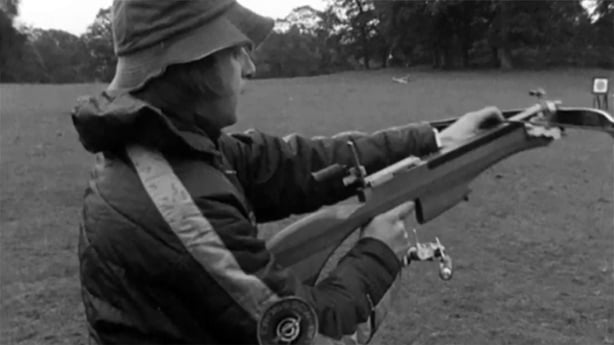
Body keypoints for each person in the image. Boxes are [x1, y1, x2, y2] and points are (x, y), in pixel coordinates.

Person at [71, 0, 504, 344]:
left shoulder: (170, 150)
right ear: (190, 63)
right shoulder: (181, 209)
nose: (250, 67)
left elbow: (298, 163)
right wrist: (377, 254)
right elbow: (303, 329)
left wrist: (435, 141)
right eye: (236, 51)